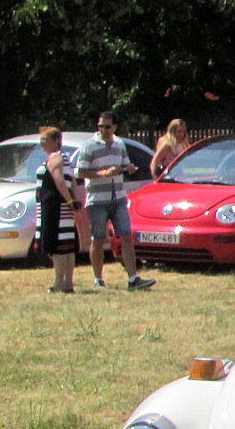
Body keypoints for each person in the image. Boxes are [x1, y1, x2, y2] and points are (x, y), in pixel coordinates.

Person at [74, 110, 153, 291]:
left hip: (118, 197)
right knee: (98, 239)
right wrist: (102, 174)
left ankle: (133, 279)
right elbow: (80, 171)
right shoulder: (89, 147)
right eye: (100, 126)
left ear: (115, 127)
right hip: (97, 200)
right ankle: (98, 279)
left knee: (126, 235)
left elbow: (125, 164)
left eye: (107, 126)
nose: (103, 130)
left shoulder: (119, 144)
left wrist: (129, 168)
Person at [35, 126, 79, 293]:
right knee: (66, 245)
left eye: (44, 140)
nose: (42, 143)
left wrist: (68, 200)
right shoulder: (65, 158)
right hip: (64, 207)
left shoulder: (54, 158)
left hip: (54, 207)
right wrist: (72, 201)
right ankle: (68, 284)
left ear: (55, 141)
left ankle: (59, 283)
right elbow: (72, 182)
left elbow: (60, 181)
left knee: (56, 246)